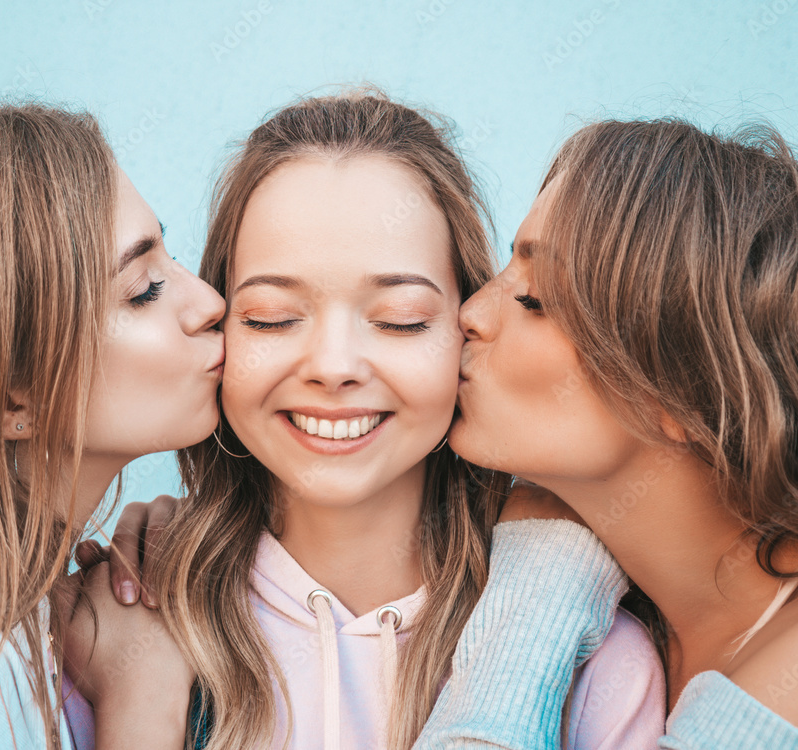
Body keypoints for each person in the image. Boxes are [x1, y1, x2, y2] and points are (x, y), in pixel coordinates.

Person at [86, 91, 665, 750]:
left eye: (401, 319)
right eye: (271, 317)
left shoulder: (595, 665)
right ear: (218, 330)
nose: (333, 367)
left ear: (468, 327)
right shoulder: (112, 629)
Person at [416, 118, 798, 749]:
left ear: (690, 390)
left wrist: (539, 585)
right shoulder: (640, 618)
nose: (469, 313)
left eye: (534, 299)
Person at [0, 102, 225, 749]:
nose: (209, 303)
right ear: (7, 401)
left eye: (171, 262)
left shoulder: (5, 615)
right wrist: (142, 694)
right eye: (145, 288)